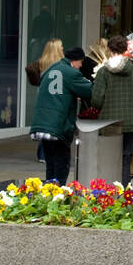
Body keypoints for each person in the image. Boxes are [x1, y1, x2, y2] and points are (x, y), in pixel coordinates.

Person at [30, 45, 94, 185]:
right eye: (80, 62)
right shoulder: (71, 73)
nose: (81, 66)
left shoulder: (51, 69)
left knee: (50, 164)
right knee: (61, 164)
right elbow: (90, 91)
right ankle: (59, 196)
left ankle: (49, 194)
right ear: (75, 60)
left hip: (42, 123)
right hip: (58, 126)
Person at [90, 35, 133, 186]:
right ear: (125, 50)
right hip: (128, 122)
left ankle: (107, 190)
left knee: (108, 157)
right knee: (126, 157)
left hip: (108, 122)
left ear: (109, 50)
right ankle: (124, 189)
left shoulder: (103, 72)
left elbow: (96, 100)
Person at [25, 39, 65, 165]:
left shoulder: (41, 63)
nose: (63, 48)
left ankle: (42, 154)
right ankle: (49, 153)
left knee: (45, 125)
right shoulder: (61, 64)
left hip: (42, 97)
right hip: (56, 98)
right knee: (53, 126)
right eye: (61, 46)